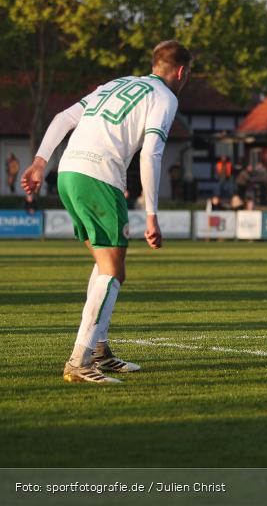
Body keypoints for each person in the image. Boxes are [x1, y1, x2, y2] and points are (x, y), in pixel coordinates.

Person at [20, 39, 191, 383]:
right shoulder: (165, 97)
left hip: (69, 171)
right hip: (100, 175)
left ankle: (99, 351)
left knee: (110, 266)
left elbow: (63, 118)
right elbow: (152, 153)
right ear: (182, 72)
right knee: (112, 271)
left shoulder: (117, 83)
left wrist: (40, 162)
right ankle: (79, 360)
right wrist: (152, 214)